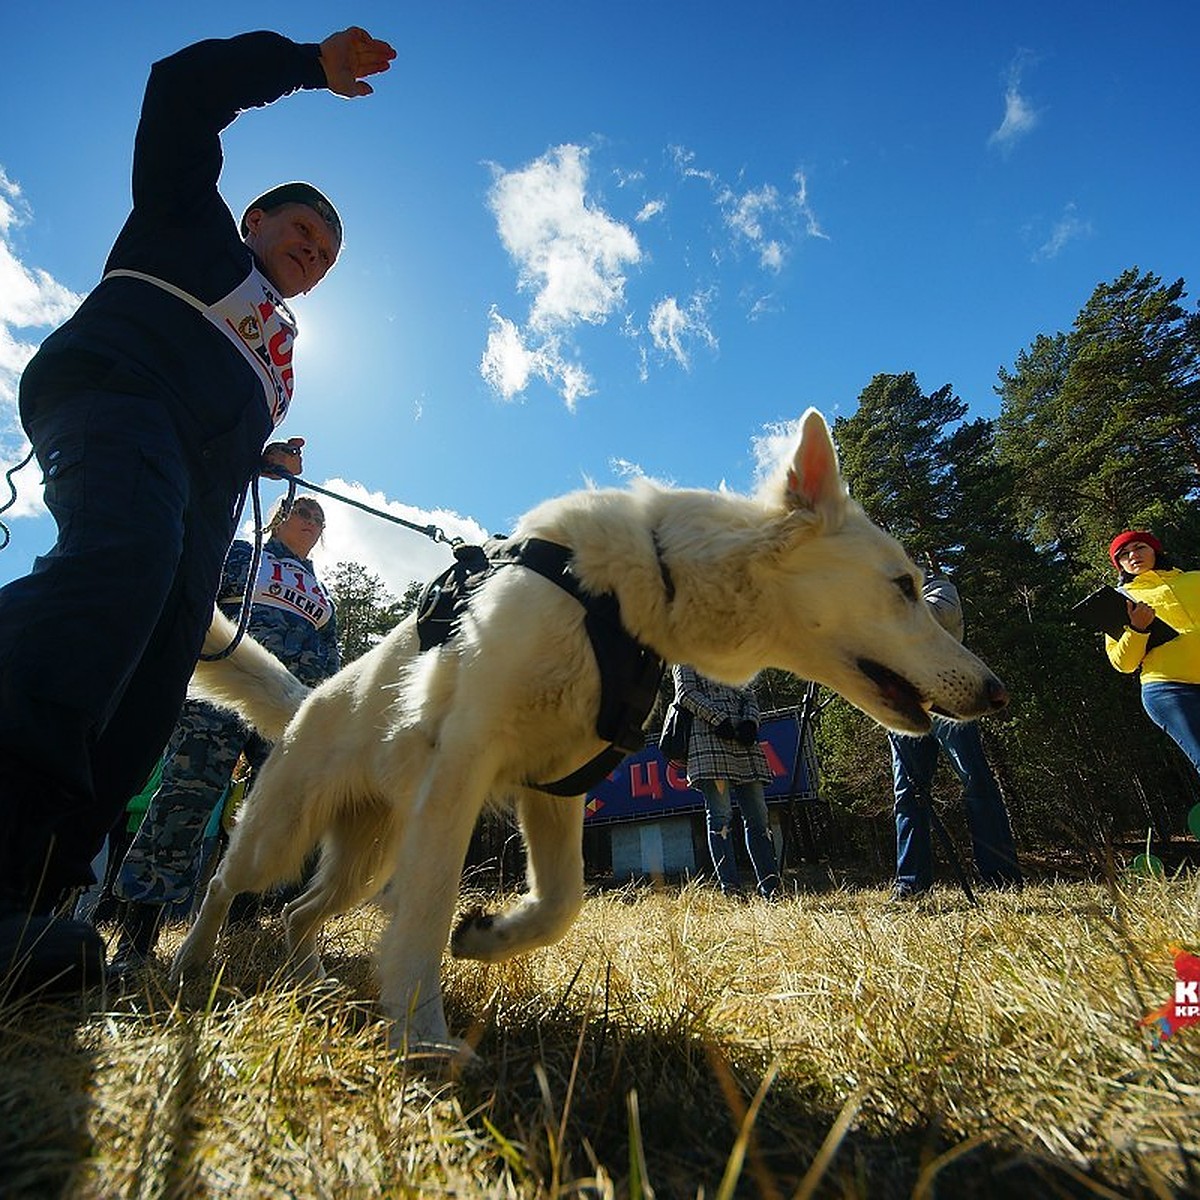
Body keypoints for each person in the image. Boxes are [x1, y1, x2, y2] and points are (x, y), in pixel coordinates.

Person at [0, 26, 395, 998]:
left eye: (326, 259)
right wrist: (306, 65)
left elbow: (212, 422)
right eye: (301, 235)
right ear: (256, 218)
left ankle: (33, 906)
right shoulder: (187, 223)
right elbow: (178, 88)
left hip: (196, 496)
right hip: (116, 400)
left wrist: (260, 451)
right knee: (120, 568)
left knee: (151, 673)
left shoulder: (280, 353)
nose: (310, 257)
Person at [107, 496, 340, 976]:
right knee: (185, 799)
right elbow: (196, 606)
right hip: (222, 692)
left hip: (290, 710)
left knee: (277, 810)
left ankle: (239, 929)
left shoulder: (321, 595)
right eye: (304, 512)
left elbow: (329, 661)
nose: (312, 522)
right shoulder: (241, 555)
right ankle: (137, 936)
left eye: (319, 519)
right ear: (278, 516)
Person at [888, 572, 1023, 899]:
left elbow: (936, 615)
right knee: (906, 794)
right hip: (904, 707)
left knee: (975, 780)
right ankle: (911, 885)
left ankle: (1000, 877)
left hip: (949, 701)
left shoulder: (937, 585)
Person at [671, 665, 781, 899]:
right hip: (709, 742)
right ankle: (731, 890)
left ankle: (771, 888)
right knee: (720, 818)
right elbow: (686, 693)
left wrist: (751, 721)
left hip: (744, 743)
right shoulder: (684, 656)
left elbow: (748, 693)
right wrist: (718, 719)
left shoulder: (728, 656)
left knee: (759, 818)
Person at [1104, 531, 1200, 780]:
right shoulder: (1121, 600)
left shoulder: (1195, 580)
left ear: (1155, 551)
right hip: (1170, 689)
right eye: (1123, 554)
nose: (1133, 555)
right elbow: (1123, 663)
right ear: (1120, 565)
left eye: (1139, 548)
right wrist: (1137, 628)